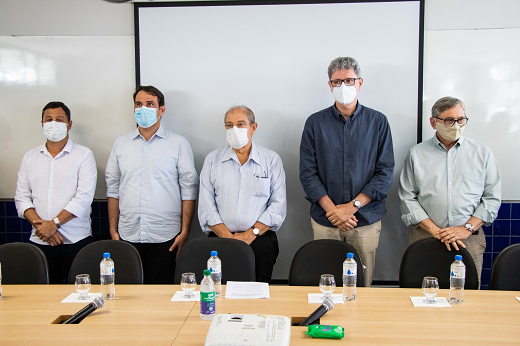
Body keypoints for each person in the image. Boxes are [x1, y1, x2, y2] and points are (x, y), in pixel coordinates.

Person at [299, 57, 394, 286]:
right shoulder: (315, 123)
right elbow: (308, 173)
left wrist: (351, 208)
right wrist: (334, 212)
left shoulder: (378, 122)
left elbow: (385, 171)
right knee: (324, 280)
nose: (343, 86)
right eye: (337, 82)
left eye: (349, 80)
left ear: (359, 83)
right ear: (330, 85)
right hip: (326, 219)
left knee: (363, 282)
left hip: (365, 218)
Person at [398, 96, 501, 281]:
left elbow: (492, 198)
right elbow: (407, 198)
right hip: (426, 238)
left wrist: (466, 228)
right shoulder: (417, 154)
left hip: (469, 239)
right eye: (449, 120)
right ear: (433, 122)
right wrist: (435, 231)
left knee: (466, 299)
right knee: (423, 295)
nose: (456, 125)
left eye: (461, 120)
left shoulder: (482, 153)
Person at [105, 86, 198, 284]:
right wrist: (113, 230)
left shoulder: (178, 144)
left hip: (166, 236)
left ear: (161, 109)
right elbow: (113, 187)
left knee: (162, 296)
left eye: (150, 104)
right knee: (130, 296)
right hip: (127, 234)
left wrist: (185, 232)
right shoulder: (121, 144)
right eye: (139, 104)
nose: (143, 108)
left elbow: (188, 189)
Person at [198, 106, 286, 283]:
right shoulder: (213, 160)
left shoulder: (271, 160)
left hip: (260, 240)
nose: (234, 130)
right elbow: (206, 205)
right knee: (220, 293)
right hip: (220, 240)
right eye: (229, 125)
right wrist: (229, 239)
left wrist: (250, 234)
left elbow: (278, 206)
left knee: (258, 294)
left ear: (253, 128)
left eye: (241, 124)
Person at [15, 101, 97, 284]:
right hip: (40, 241)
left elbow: (84, 197)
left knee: (78, 295)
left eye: (59, 120)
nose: (53, 124)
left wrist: (55, 224)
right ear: (42, 124)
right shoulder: (30, 157)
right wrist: (43, 228)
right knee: (41, 298)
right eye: (49, 119)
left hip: (76, 241)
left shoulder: (83, 155)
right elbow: (22, 198)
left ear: (69, 124)